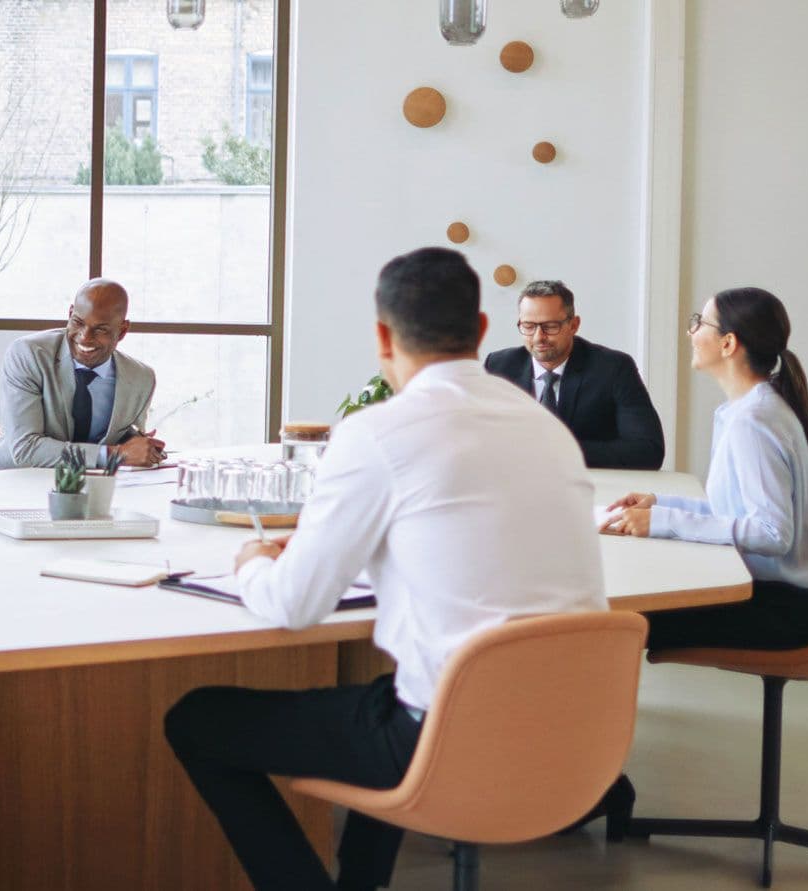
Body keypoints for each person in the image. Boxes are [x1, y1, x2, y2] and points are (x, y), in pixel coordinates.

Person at [161, 248, 607, 891]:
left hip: (446, 737)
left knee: (197, 720)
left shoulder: (378, 433)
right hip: (575, 734)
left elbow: (294, 607)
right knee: (393, 685)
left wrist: (253, 562)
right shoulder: (546, 429)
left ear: (381, 336)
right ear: (483, 332)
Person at [601, 287, 808, 650]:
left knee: (610, 620)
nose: (690, 332)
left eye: (699, 322)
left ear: (728, 343)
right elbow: (736, 511)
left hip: (787, 607)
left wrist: (664, 522)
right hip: (788, 594)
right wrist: (660, 506)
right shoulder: (750, 409)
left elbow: (772, 534)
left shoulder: (753, 421)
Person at [0, 279, 166, 472]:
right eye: (78, 322)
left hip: (85, 491)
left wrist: (140, 446)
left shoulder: (141, 378)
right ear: (70, 313)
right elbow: (25, 449)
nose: (85, 337)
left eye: (100, 329)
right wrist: (114, 454)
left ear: (122, 331)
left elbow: (122, 439)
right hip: (6, 482)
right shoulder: (29, 354)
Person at [483, 280, 666, 469]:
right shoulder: (498, 366)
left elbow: (648, 450)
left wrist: (558, 451)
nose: (538, 337)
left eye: (551, 326)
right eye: (528, 326)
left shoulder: (614, 368)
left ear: (574, 325)